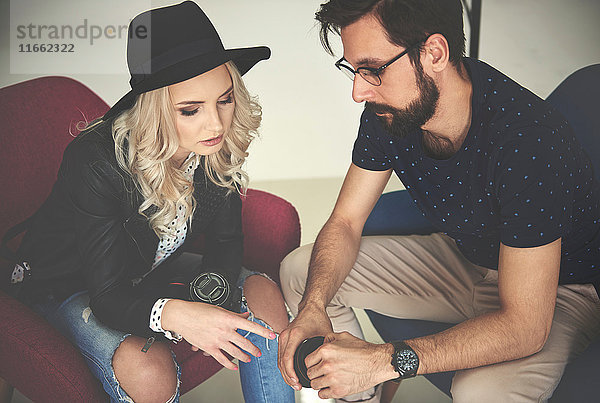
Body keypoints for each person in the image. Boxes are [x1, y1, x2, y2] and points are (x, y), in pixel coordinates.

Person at [277, 0, 600, 402]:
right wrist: (313, 307)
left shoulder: (528, 143)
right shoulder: (391, 111)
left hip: (557, 291)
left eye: (372, 69)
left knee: (480, 391)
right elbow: (345, 221)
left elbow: (524, 326)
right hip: (469, 261)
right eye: (353, 70)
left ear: (434, 53)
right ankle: (362, 396)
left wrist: (381, 359)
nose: (358, 92)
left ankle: (372, 375)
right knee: (298, 272)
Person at [7, 2, 294, 402]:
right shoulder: (96, 161)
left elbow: (226, 242)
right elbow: (107, 295)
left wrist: (214, 301)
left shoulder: (213, 143)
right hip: (70, 285)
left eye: (224, 100)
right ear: (156, 107)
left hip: (148, 268)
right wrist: (179, 317)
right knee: (150, 372)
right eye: (191, 110)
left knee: (265, 295)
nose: (216, 124)